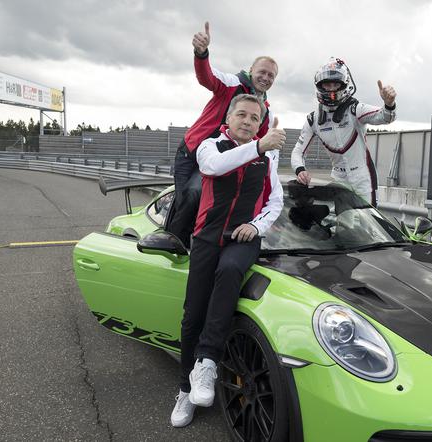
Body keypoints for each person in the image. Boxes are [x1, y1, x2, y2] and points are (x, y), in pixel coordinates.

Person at [170, 94, 286, 428]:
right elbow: (213, 168)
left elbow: (275, 200)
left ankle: (206, 362)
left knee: (231, 268)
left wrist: (256, 224)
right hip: (207, 238)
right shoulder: (210, 146)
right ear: (229, 117)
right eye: (242, 115)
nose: (248, 121)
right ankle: (184, 390)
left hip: (242, 238)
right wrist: (260, 146)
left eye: (254, 117)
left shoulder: (266, 157)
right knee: (193, 316)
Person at [166, 21, 279, 248]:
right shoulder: (232, 82)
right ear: (251, 71)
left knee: (216, 206)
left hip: (227, 161)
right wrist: (201, 53)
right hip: (194, 153)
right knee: (190, 195)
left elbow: (262, 145)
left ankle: (206, 247)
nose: (266, 78)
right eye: (262, 72)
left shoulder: (265, 110)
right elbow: (206, 76)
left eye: (271, 75)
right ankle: (172, 243)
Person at [290, 57, 397, 206]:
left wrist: (389, 103)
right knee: (344, 225)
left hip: (363, 177)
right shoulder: (313, 119)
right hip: (339, 179)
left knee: (369, 224)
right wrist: (300, 170)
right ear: (320, 86)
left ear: (344, 85)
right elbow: (297, 152)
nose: (332, 88)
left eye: (336, 84)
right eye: (328, 84)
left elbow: (385, 117)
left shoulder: (355, 109)